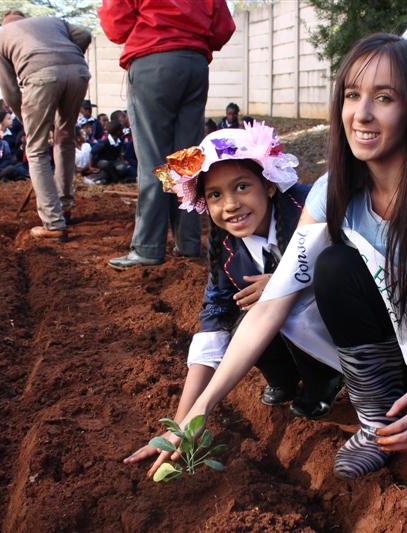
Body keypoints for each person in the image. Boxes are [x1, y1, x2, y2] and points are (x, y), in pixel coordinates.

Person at [126, 34, 407, 496]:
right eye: (352, 95)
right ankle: (376, 420)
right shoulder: (332, 192)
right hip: (405, 351)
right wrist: (199, 411)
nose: (362, 114)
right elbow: (272, 306)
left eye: (384, 98)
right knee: (334, 266)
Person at [144, 124, 343, 436]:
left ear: (269, 184)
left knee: (282, 300)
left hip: (343, 318)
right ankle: (283, 380)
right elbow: (213, 318)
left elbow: (352, 264)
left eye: (241, 187)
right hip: (292, 325)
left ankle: (325, 379)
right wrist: (182, 422)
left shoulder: (309, 207)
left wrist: (283, 282)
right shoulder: (225, 249)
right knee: (239, 314)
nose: (230, 205)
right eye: (215, 195)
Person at [100, 0, 236, 268]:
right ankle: (188, 242)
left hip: (153, 59)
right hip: (195, 64)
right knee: (187, 160)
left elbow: (115, 26)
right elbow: (223, 29)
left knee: (153, 159)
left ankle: (148, 247)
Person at [0, 10, 92, 240]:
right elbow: (85, 35)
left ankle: (53, 222)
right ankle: (64, 206)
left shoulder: (0, 37)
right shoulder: (51, 21)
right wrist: (68, 58)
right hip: (78, 72)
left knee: (36, 150)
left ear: (3, 24)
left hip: (39, 77)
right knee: (65, 138)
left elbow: (10, 90)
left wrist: (28, 123)